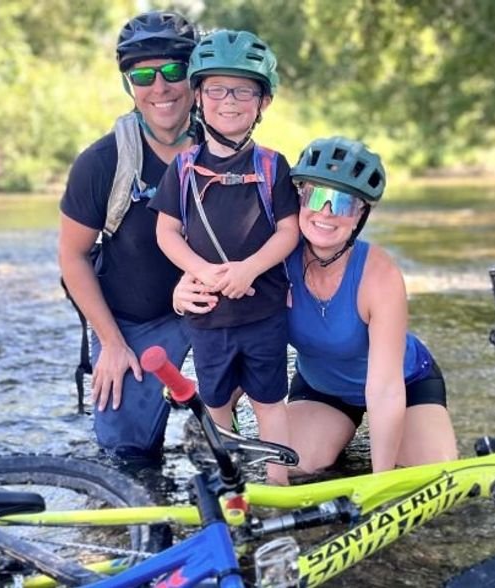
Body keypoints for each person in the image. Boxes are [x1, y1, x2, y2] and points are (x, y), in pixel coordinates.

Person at [174, 137, 458, 474]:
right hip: (322, 389)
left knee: (429, 472)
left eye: (343, 203)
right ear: (298, 200)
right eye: (317, 197)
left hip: (405, 384)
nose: (326, 213)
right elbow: (234, 330)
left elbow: (384, 389)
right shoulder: (273, 255)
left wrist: (381, 480)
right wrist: (179, 295)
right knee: (292, 464)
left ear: (360, 216)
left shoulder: (380, 274)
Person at [148, 30, 299, 484]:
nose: (228, 101)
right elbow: (166, 231)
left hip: (263, 313)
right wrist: (201, 270)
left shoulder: (272, 165)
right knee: (215, 403)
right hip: (208, 317)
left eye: (243, 90)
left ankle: (279, 483)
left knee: (270, 402)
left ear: (263, 102)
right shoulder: (184, 167)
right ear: (197, 97)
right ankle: (227, 482)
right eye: (215, 89)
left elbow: (289, 230)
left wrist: (251, 268)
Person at [57, 11, 199, 461]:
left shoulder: (225, 147)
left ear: (194, 77)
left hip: (211, 311)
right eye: (143, 75)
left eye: (174, 71)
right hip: (135, 324)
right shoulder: (101, 162)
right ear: (128, 85)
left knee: (228, 451)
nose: (160, 87)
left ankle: (214, 420)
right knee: (129, 455)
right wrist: (113, 345)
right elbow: (73, 258)